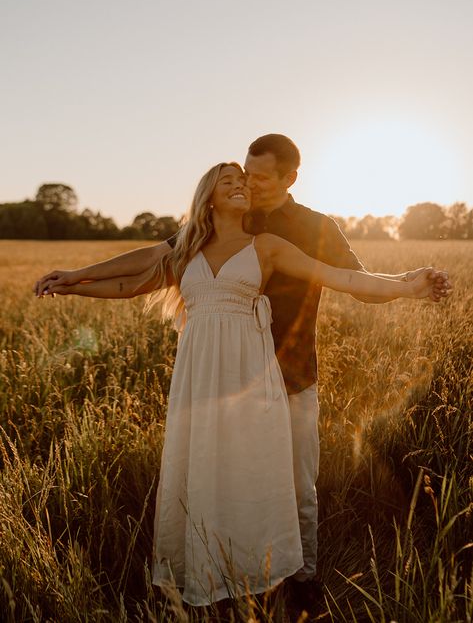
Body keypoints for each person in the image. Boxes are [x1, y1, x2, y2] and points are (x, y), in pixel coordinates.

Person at [36, 161, 448, 607]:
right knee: (205, 467)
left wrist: (408, 286)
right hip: (199, 374)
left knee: (252, 473)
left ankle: (264, 572)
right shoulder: (187, 250)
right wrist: (73, 281)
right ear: (208, 196)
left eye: (243, 183)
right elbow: (128, 283)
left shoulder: (267, 246)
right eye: (228, 182)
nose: (240, 187)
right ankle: (208, 570)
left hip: (250, 373)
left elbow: (342, 277)